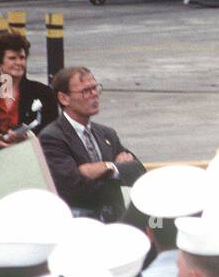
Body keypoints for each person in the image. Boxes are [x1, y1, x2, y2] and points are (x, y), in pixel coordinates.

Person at [38, 66, 145, 221]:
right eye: (86, 91)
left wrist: (108, 167)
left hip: (115, 221)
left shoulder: (107, 134)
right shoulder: (52, 138)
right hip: (80, 223)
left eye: (95, 88)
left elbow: (137, 169)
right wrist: (117, 174)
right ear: (64, 98)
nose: (94, 94)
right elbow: (73, 187)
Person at [0, 31, 59, 143]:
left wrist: (28, 138)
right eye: (12, 58)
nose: (19, 62)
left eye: (22, 58)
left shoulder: (43, 93)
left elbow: (51, 133)